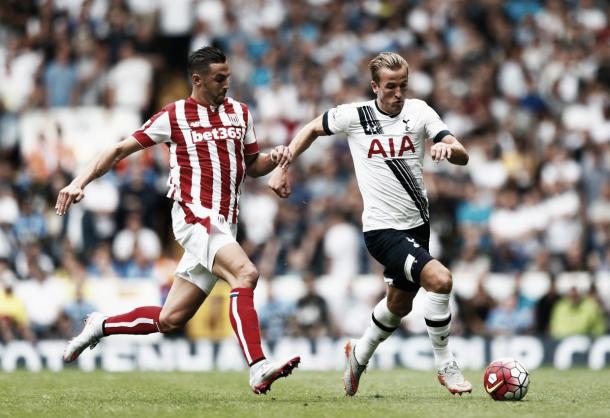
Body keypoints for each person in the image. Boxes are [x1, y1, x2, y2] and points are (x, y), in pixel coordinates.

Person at [55, 46, 299, 394]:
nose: (227, 83)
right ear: (197, 79)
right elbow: (119, 149)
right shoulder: (175, 115)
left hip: (224, 224)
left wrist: (275, 158)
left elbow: (253, 166)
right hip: (194, 216)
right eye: (219, 78)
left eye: (228, 76)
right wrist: (78, 182)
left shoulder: (241, 114)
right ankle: (258, 366)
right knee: (245, 273)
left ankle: (101, 325)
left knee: (171, 319)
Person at [268, 52, 472, 396]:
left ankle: (358, 355)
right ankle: (446, 364)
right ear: (374, 86)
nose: (398, 92)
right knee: (440, 279)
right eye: (390, 86)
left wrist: (448, 149)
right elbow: (312, 127)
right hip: (381, 231)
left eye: (403, 85)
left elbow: (461, 152)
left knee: (398, 306)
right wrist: (282, 165)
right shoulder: (355, 115)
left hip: (417, 227)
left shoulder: (419, 111)